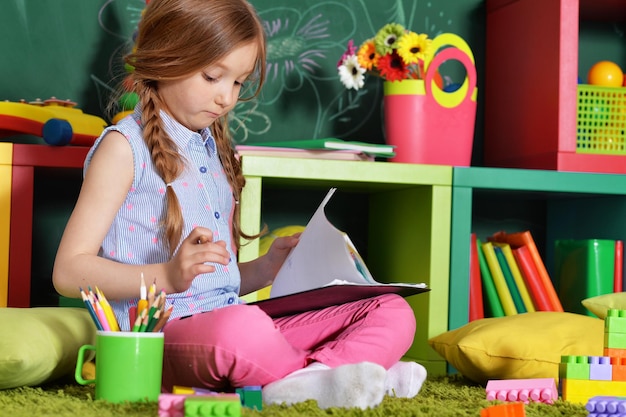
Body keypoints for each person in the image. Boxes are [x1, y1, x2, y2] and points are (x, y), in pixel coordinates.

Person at [52, 0, 426, 410]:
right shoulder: (123, 149)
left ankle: (312, 380)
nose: (226, 98)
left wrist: (265, 269)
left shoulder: (211, 148)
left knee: (390, 309)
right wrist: (167, 275)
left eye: (238, 84)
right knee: (241, 328)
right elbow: (69, 271)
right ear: (165, 59)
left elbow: (218, 284)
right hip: (162, 338)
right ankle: (342, 373)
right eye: (213, 76)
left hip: (234, 326)